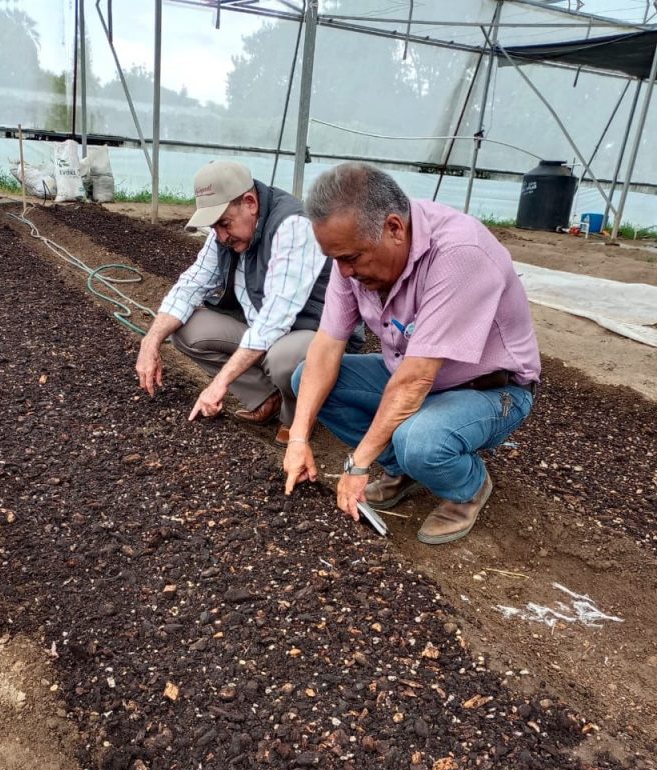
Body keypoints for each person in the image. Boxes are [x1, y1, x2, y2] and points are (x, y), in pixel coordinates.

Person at [284, 162, 541, 545]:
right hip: (410, 373)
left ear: (394, 228)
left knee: (419, 441)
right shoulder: (350, 255)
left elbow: (417, 378)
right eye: (335, 259)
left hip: (490, 390)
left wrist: (357, 464)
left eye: (352, 258)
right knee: (307, 378)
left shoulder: (458, 252)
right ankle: (401, 470)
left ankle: (468, 487)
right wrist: (299, 439)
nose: (344, 272)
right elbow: (326, 347)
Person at [135, 160, 359, 445]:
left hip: (312, 332)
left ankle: (298, 416)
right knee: (185, 328)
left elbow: (275, 320)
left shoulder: (293, 226)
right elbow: (191, 284)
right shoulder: (225, 235)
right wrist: (150, 341)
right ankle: (267, 397)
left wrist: (220, 383)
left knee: (284, 359)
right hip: (260, 326)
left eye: (224, 224)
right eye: (215, 227)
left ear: (250, 202)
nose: (220, 235)